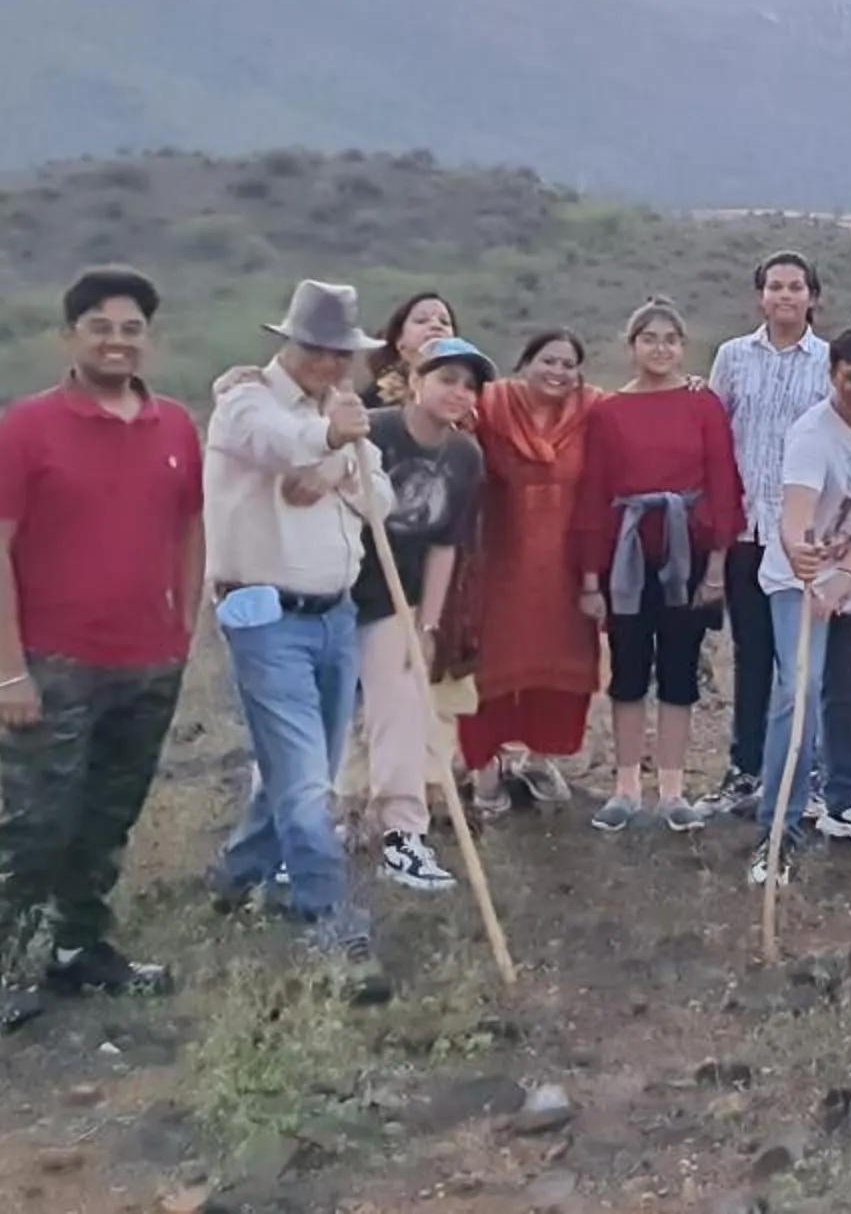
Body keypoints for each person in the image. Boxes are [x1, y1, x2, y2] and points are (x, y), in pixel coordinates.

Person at [0, 267, 204, 1029]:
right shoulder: (24, 428)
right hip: (54, 663)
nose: (117, 340)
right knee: (37, 821)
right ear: (69, 336)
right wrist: (9, 671)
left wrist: (182, 628)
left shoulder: (174, 427)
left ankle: (79, 951)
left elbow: (190, 529)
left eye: (132, 328)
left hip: (148, 660)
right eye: (100, 325)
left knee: (107, 815)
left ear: (148, 341)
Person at [201, 279, 392, 999]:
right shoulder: (244, 400)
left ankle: (240, 872)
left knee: (308, 763)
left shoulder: (341, 413)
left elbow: (385, 496)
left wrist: (338, 462)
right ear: (291, 343)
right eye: (318, 348)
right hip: (259, 607)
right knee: (308, 775)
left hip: (334, 611)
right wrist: (329, 442)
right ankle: (324, 911)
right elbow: (276, 445)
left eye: (341, 351)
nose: (331, 363)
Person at [747, 324, 851, 883]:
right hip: (802, 584)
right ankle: (778, 831)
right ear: (832, 377)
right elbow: (794, 513)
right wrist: (801, 551)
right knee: (797, 690)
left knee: (846, 686)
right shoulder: (812, 435)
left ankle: (847, 802)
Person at [571, 299, 744, 832]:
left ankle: (671, 787)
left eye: (671, 339)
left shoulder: (703, 403)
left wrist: (716, 564)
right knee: (626, 672)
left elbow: (722, 482)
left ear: (683, 348)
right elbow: (593, 494)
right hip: (626, 555)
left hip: (687, 554)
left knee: (678, 668)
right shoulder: (606, 412)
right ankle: (625, 786)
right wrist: (590, 578)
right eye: (650, 339)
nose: (661, 349)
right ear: (632, 346)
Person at [349, 338, 494, 894]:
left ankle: (402, 837)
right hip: (336, 591)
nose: (458, 393)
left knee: (405, 712)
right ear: (415, 381)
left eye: (468, 385)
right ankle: (296, 835)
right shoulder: (373, 430)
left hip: (397, 601)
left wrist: (428, 626)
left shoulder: (464, 456)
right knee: (321, 718)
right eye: (447, 379)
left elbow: (445, 546)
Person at [451, 330, 605, 815]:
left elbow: (646, 413)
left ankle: (538, 761)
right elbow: (437, 409)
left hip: (565, 562)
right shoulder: (489, 404)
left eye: (568, 364)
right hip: (496, 557)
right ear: (524, 362)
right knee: (487, 666)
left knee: (560, 668)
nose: (558, 372)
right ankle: (484, 770)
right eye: (547, 361)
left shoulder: (593, 409)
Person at [706, 252, 830, 817]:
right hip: (746, 528)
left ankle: (813, 770)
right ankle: (745, 766)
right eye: (775, 286)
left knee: (802, 660)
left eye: (795, 286)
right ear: (760, 296)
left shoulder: (829, 363)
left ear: (813, 297)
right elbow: (713, 434)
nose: (785, 295)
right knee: (750, 653)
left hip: (806, 537)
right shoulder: (733, 357)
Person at [364, 293, 458, 410]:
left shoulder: (470, 392)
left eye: (444, 322)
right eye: (421, 320)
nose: (436, 325)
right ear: (399, 340)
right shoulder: (376, 398)